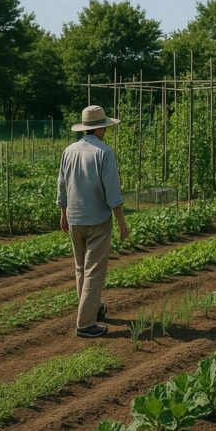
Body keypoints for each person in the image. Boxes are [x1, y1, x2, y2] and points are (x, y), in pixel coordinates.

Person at [57, 105, 129, 338]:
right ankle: (86, 324)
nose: (106, 131)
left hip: (75, 219)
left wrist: (63, 214)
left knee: (81, 268)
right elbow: (113, 192)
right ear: (98, 128)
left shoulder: (69, 151)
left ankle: (94, 308)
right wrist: (121, 222)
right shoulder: (104, 152)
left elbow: (62, 185)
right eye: (105, 127)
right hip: (97, 220)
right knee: (94, 271)